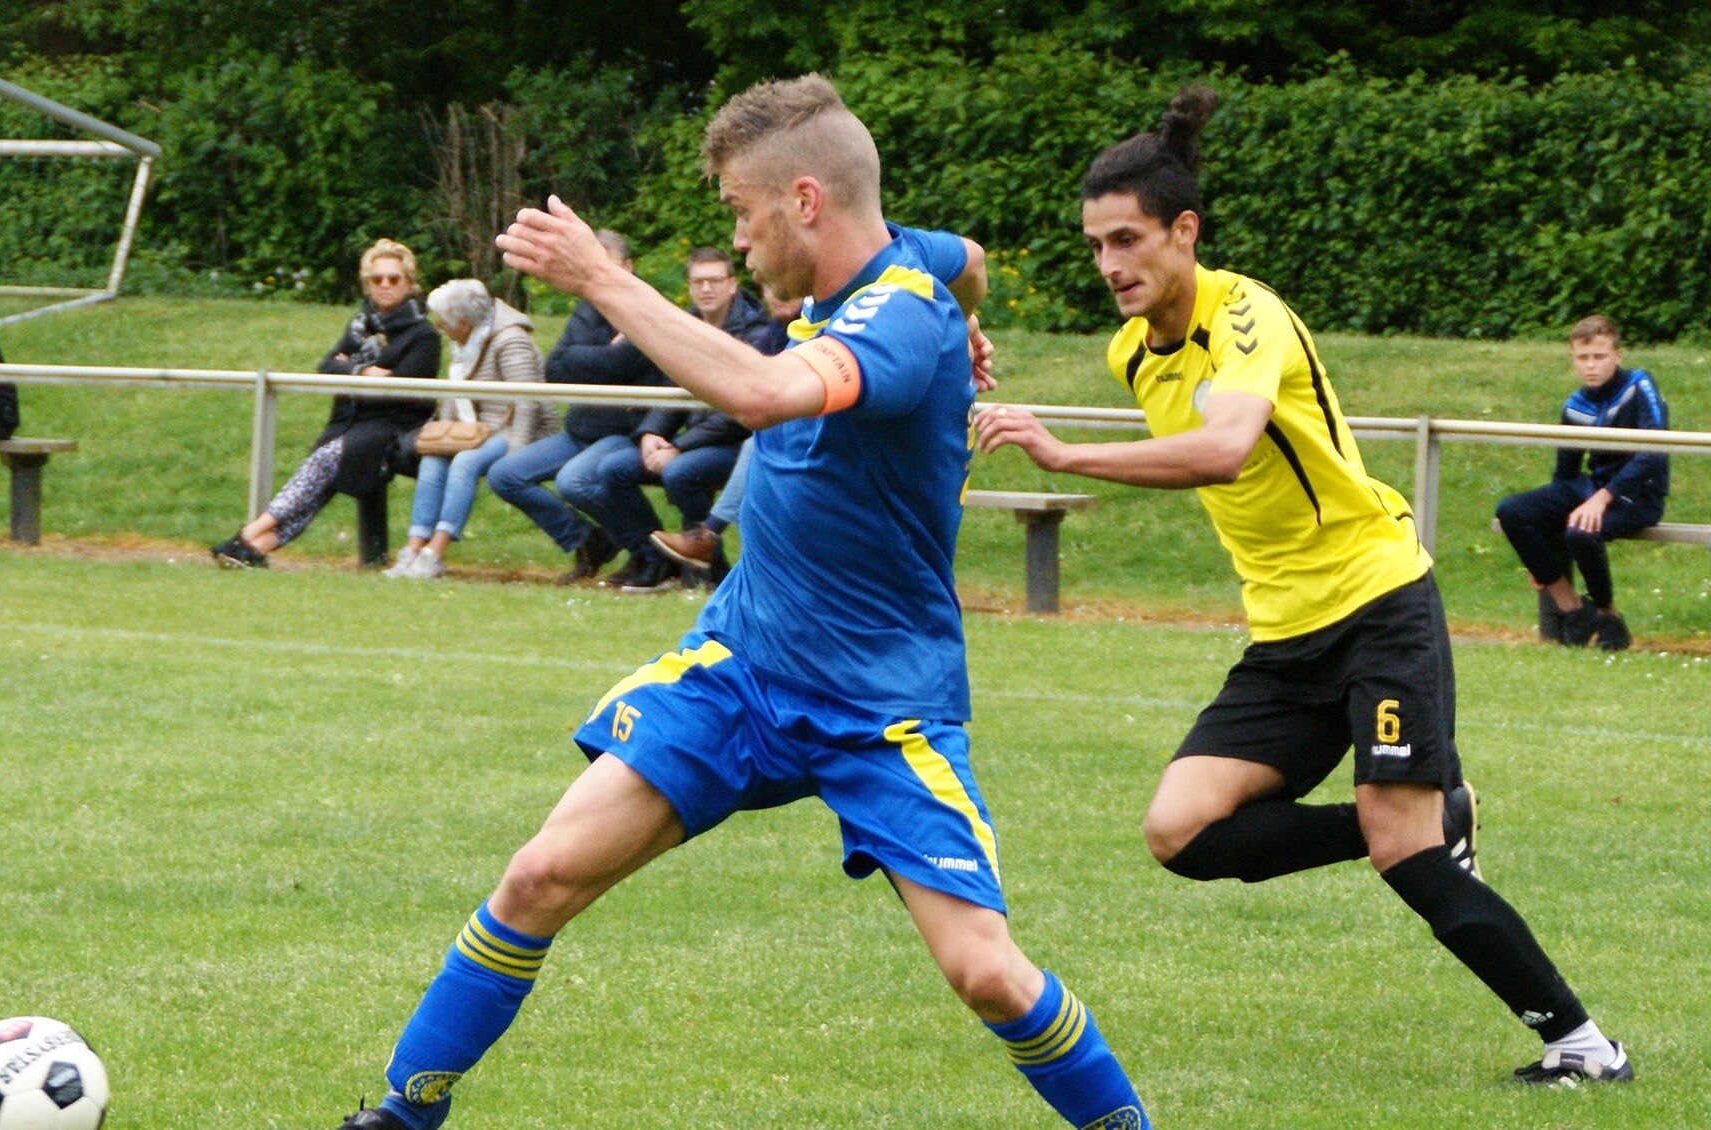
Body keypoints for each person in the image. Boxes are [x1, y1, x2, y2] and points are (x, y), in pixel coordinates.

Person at [329, 75, 1149, 1130]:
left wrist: (602, 278)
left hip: (884, 705)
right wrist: (975, 326)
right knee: (538, 875)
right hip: (744, 670)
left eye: (741, 214)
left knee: (989, 974)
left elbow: (761, 393)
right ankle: (401, 1114)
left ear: (806, 201)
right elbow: (969, 259)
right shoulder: (911, 270)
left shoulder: (900, 317)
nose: (739, 240)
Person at [977, 86, 1630, 1089]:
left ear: (1183, 230)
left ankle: (1583, 1043)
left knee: (1402, 852)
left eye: (1128, 239)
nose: (1110, 264)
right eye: (1096, 244)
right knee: (1179, 830)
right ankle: (1434, 813)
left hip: (1377, 600)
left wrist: (1066, 456)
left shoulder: (1248, 313)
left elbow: (1229, 446)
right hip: (1285, 635)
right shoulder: (1128, 350)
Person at [212, 239, 439, 567]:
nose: (385, 285)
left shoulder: (423, 335)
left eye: (394, 278)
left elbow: (403, 387)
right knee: (317, 486)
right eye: (377, 279)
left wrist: (353, 369)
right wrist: (365, 371)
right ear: (367, 284)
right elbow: (327, 366)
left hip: (392, 427)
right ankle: (257, 549)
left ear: (409, 284)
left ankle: (247, 534)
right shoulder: (360, 324)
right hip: (347, 422)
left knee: (323, 463)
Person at [562, 247, 767, 593]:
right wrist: (651, 434)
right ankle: (657, 560)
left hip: (737, 441)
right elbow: (670, 388)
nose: (706, 289)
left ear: (732, 284)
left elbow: (736, 412)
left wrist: (677, 447)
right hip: (690, 440)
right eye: (698, 282)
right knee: (614, 469)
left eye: (714, 281)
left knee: (679, 472)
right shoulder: (684, 325)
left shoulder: (756, 332)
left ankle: (712, 572)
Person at [484, 229, 669, 584]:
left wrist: (594, 358)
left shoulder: (648, 308)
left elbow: (622, 362)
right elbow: (555, 366)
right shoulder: (588, 305)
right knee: (504, 475)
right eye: (590, 266)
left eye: (605, 265)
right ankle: (588, 540)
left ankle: (652, 553)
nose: (595, 274)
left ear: (628, 267)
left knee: (573, 481)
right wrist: (609, 354)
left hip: (625, 433)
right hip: (580, 429)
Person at [1495, 315, 1668, 651]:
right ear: (1573, 360)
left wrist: (1602, 498)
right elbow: (1565, 475)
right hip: (1591, 489)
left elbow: (1655, 450)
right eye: (1583, 358)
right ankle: (1573, 608)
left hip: (1637, 494)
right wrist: (1541, 564)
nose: (1591, 366)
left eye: (1599, 357)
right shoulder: (1575, 405)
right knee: (1513, 511)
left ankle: (1608, 616)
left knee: (1581, 531)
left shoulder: (1639, 385)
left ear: (1618, 355)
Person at [382, 279, 555, 580]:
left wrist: (516, 453)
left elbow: (528, 401)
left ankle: (435, 552)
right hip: (473, 429)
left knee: (465, 462)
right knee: (434, 459)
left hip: (513, 430)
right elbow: (454, 393)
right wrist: (443, 434)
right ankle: (413, 547)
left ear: (463, 322)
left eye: (443, 320)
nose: (437, 325)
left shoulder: (511, 340)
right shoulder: (461, 337)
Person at [648, 284, 803, 580]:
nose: (779, 294)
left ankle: (708, 540)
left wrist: (679, 445)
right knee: (607, 470)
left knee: (752, 451)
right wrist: (651, 433)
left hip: (762, 440)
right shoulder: (774, 332)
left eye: (786, 288)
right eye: (771, 288)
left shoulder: (812, 329)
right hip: (746, 440)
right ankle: (704, 562)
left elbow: (747, 406)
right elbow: (732, 384)